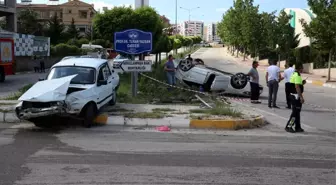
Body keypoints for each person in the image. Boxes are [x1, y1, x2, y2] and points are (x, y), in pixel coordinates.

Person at [285, 64, 306, 133]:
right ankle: (289, 126)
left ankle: (298, 127)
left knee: (297, 112)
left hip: (293, 96)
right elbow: (297, 87)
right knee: (295, 113)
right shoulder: (297, 75)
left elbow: (296, 85)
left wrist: (302, 83)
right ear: (299, 68)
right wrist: (301, 97)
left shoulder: (294, 74)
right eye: (302, 68)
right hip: (296, 97)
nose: (303, 69)